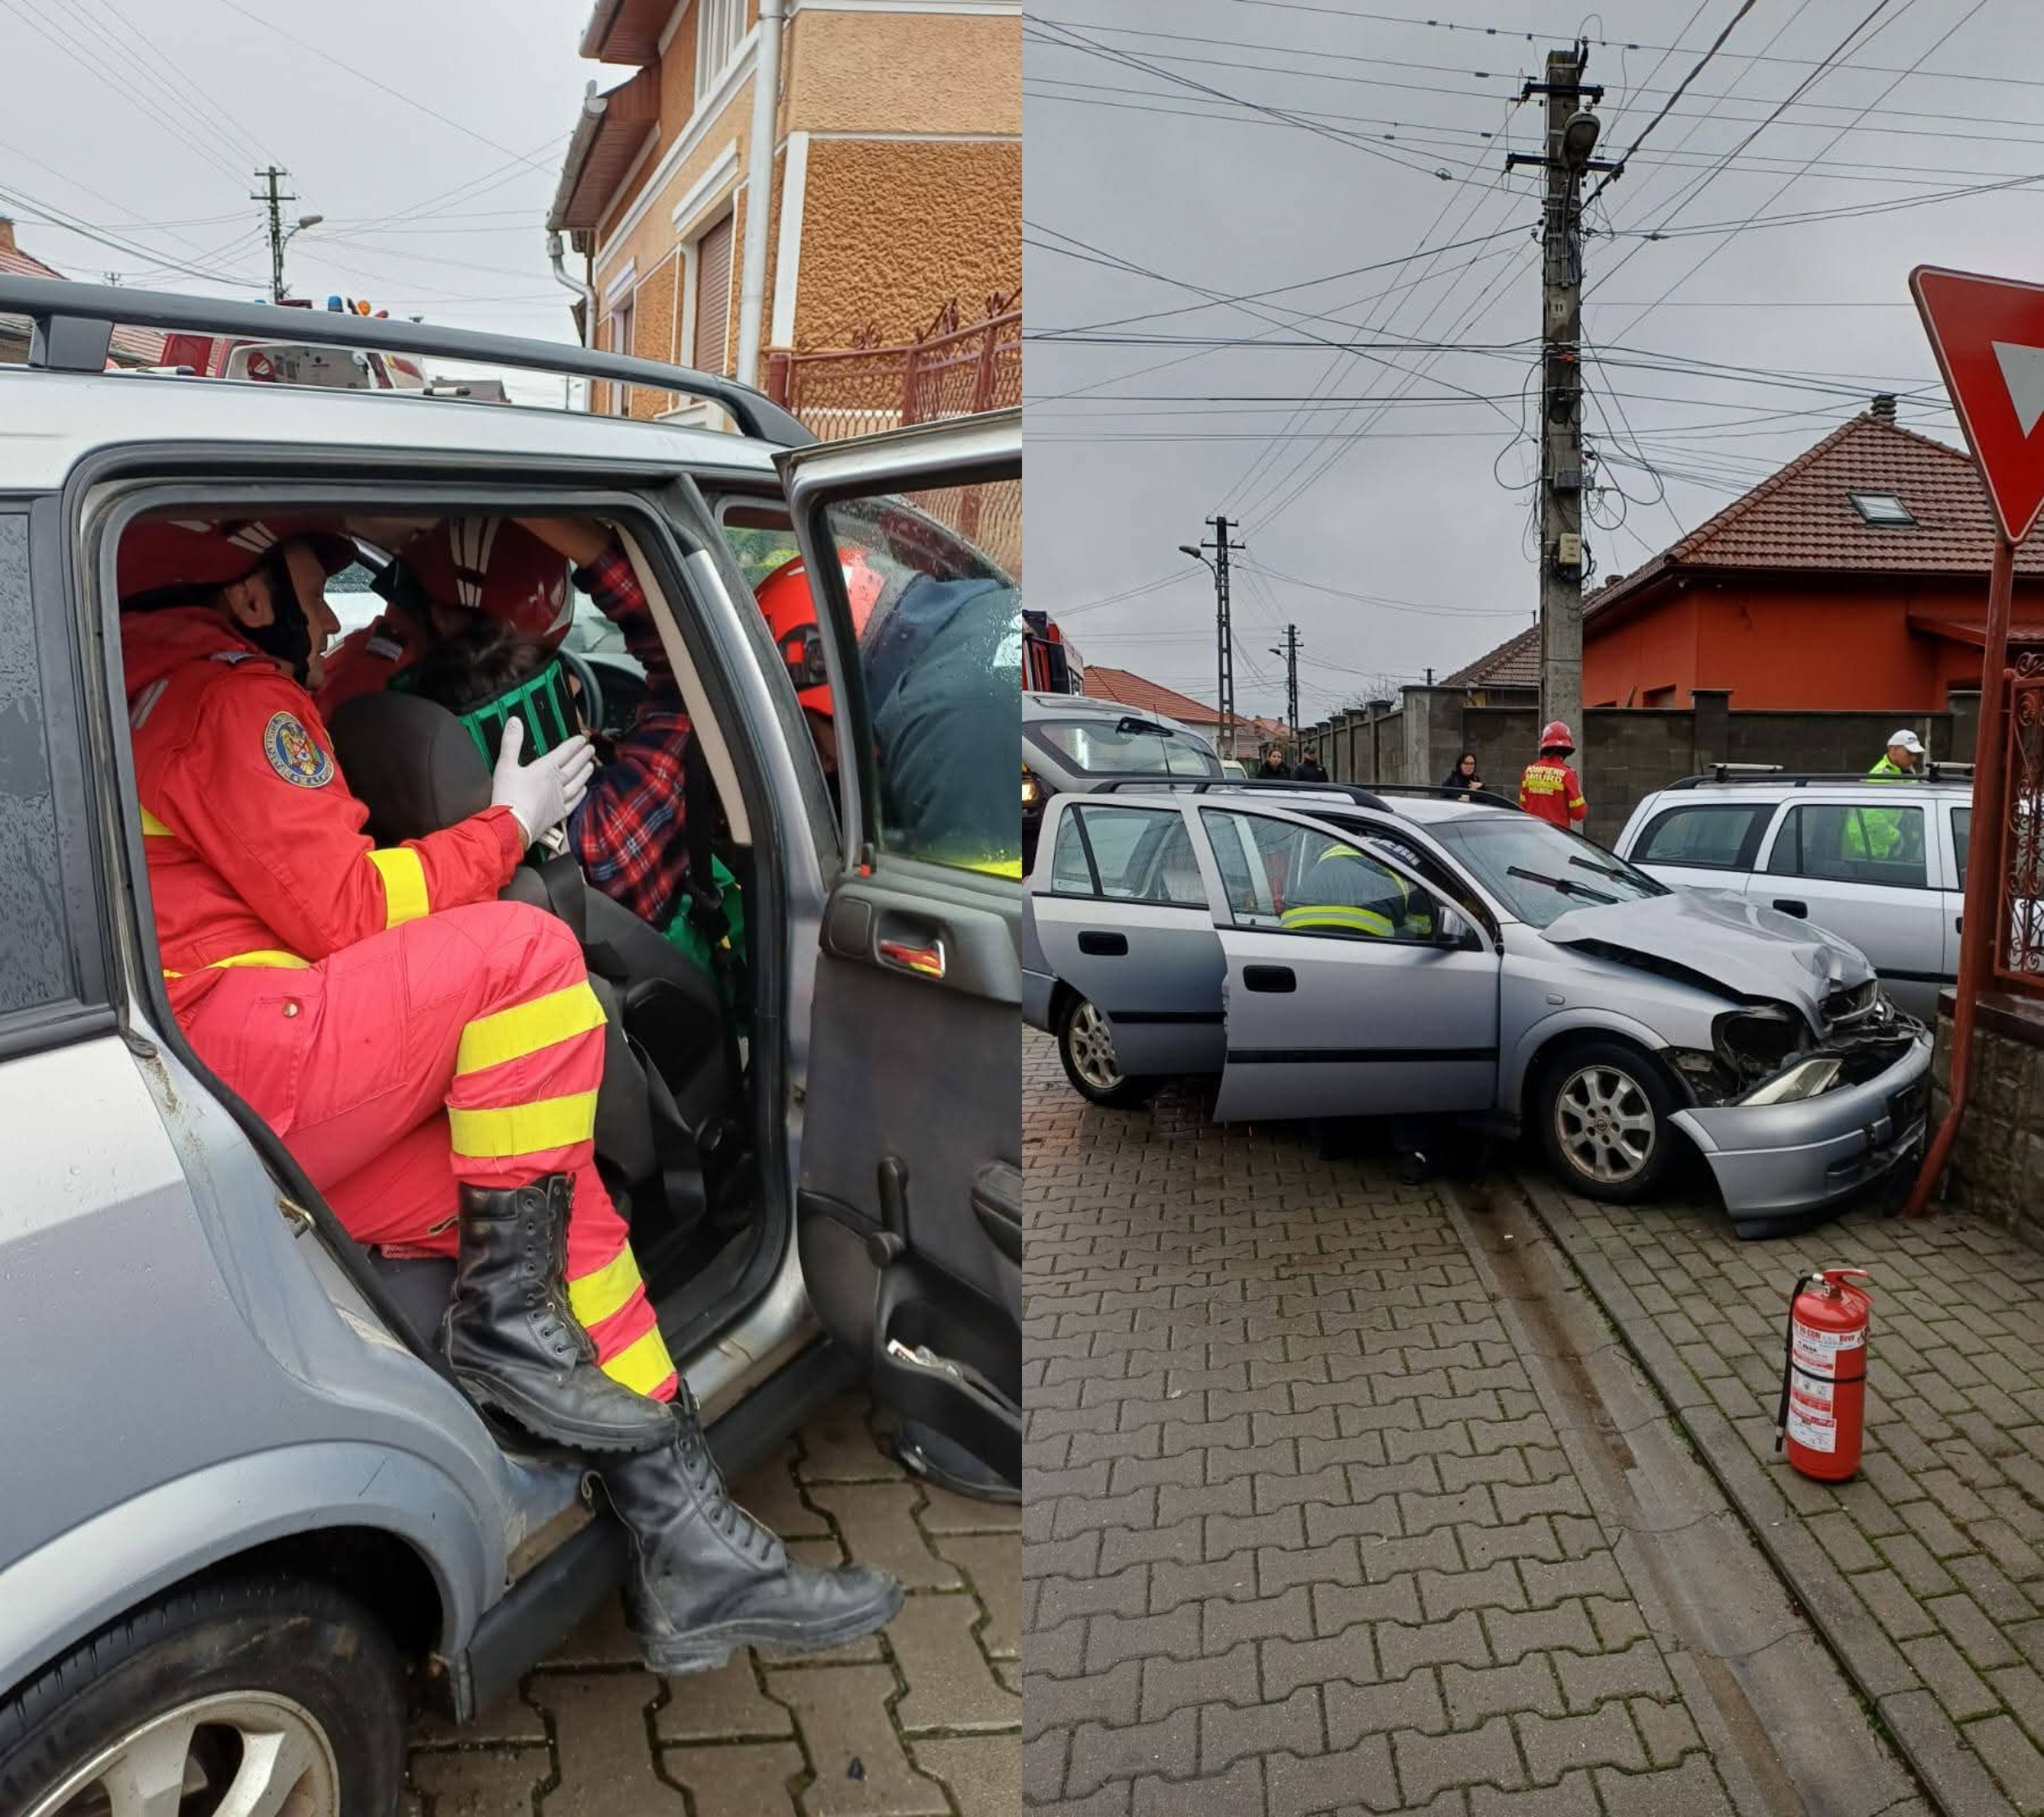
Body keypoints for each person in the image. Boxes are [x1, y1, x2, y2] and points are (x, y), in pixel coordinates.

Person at [119, 516, 901, 1675]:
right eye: (306, 576)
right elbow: (346, 916)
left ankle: (689, 1545)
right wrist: (506, 829)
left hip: (207, 1088)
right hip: (255, 1052)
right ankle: (505, 1326)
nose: (330, 607)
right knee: (527, 954)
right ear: (237, 593)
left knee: (551, 1196)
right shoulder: (234, 703)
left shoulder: (133, 690)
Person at [1518, 722, 1586, 829]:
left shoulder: (1529, 772)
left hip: (1531, 837)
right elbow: (1579, 814)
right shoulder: (1568, 775)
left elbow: (1523, 806)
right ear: (1566, 751)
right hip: (1557, 838)